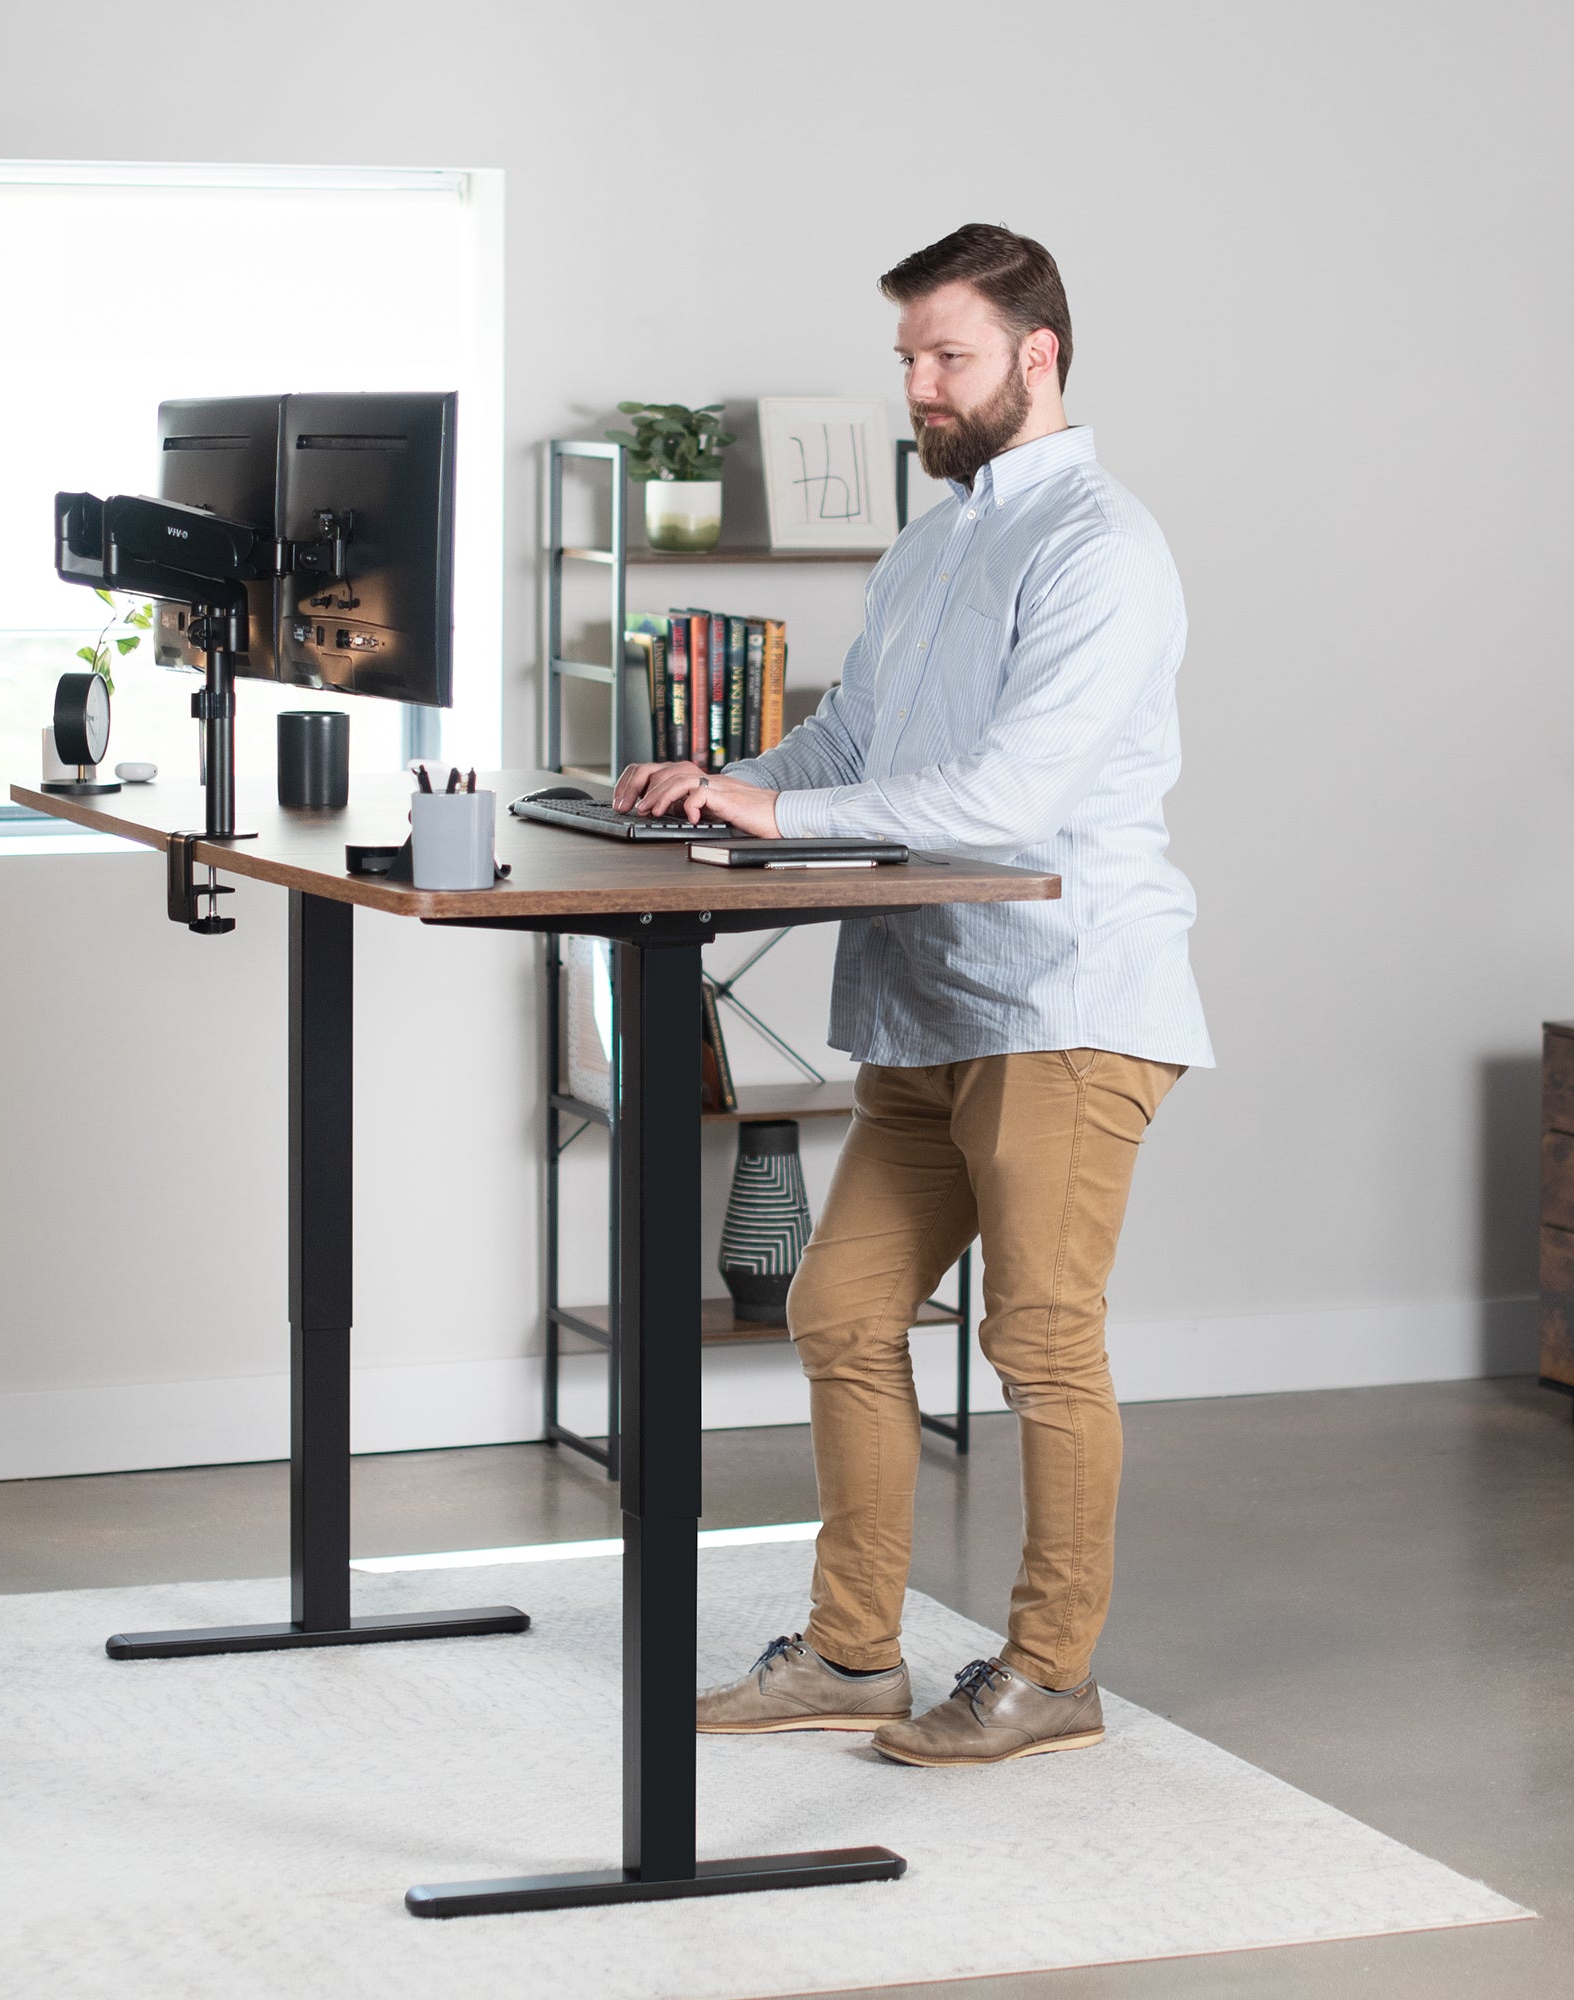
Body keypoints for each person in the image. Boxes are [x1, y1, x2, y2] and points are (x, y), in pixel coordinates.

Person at [612, 223, 1213, 1768]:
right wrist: (722, 784)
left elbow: (1013, 796)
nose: (919, 389)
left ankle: (1049, 1672)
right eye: (906, 362)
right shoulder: (935, 542)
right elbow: (848, 750)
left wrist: (776, 821)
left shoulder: (1103, 548)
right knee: (844, 1310)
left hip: (1065, 1003)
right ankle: (850, 1651)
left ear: (1039, 355)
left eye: (945, 358)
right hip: (931, 998)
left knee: (1041, 1340)